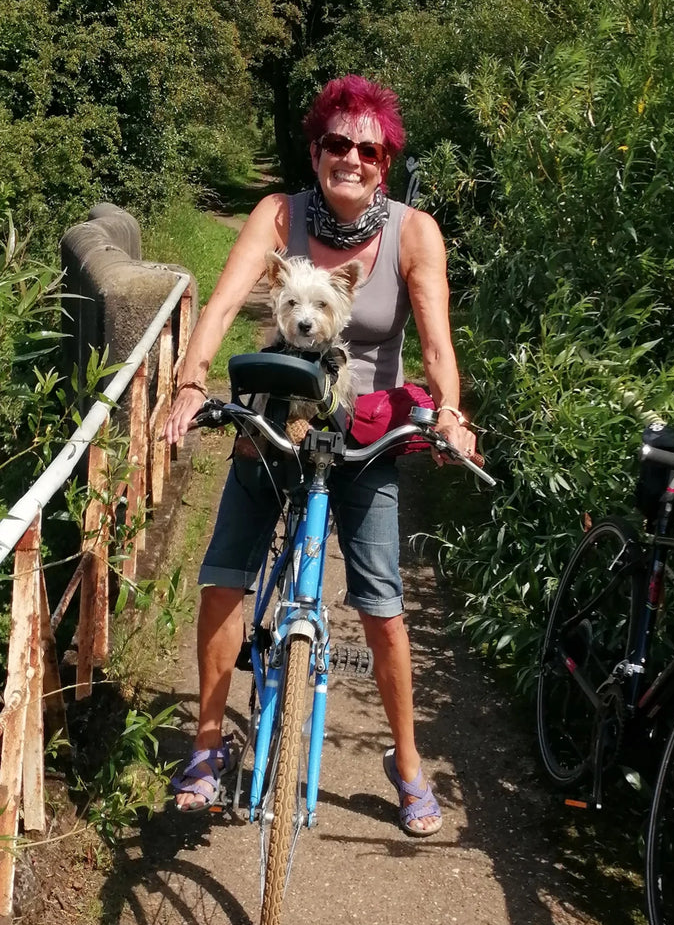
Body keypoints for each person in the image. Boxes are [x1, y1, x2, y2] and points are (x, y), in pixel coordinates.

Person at [164, 75, 476, 836]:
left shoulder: (413, 232)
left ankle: (405, 761)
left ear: (385, 162)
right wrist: (191, 379)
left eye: (368, 149)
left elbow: (435, 343)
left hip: (366, 432)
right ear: (316, 150)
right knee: (224, 574)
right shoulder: (281, 215)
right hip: (277, 411)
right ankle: (209, 744)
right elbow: (231, 295)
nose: (352, 158)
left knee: (382, 604)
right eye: (337, 143)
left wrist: (451, 414)